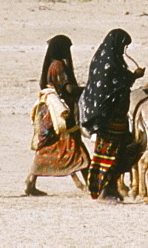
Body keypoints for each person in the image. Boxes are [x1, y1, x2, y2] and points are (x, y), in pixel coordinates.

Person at [78, 28, 146, 202]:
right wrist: (134, 76)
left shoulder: (110, 59)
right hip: (108, 119)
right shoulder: (109, 62)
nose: (124, 50)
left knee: (126, 151)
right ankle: (104, 192)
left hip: (119, 119)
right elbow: (116, 84)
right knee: (109, 155)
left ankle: (113, 189)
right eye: (123, 45)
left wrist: (132, 76)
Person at [25, 34, 91, 196]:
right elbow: (68, 89)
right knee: (76, 148)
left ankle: (31, 181)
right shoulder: (58, 66)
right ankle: (92, 185)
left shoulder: (52, 65)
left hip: (52, 111)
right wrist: (88, 88)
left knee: (48, 147)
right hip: (62, 112)